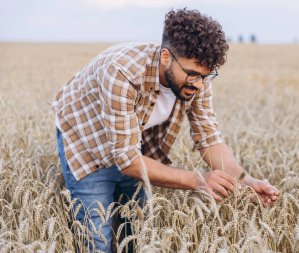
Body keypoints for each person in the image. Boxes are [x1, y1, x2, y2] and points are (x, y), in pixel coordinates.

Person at [52, 8, 280, 252]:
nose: (199, 84)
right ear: (165, 57)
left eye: (206, 75)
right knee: (97, 239)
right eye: (192, 74)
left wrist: (245, 180)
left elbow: (209, 139)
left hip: (133, 140)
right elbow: (128, 160)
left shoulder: (199, 81)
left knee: (137, 231)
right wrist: (199, 180)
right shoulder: (121, 71)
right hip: (86, 139)